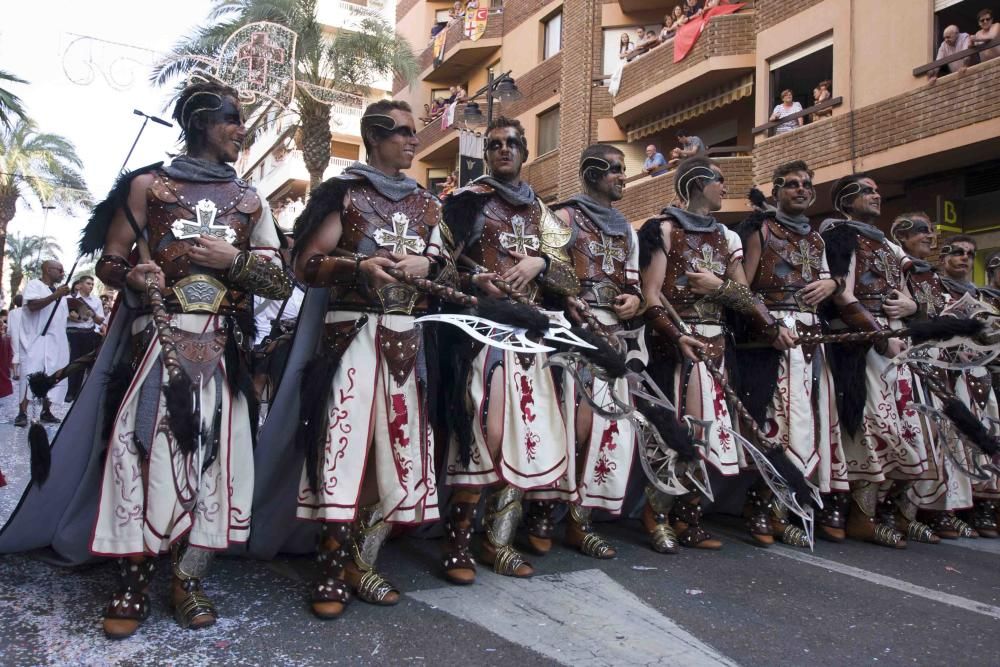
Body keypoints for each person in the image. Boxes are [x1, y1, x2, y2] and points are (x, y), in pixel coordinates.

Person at [0, 80, 291, 639]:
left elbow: (278, 280)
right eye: (234, 119)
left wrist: (235, 260)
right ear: (204, 121)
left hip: (220, 349)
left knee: (213, 461)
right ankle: (132, 577)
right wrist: (130, 273)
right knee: (139, 454)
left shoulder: (251, 199)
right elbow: (109, 259)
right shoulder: (147, 186)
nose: (242, 129)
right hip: (155, 342)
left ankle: (190, 578)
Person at [284, 100, 448, 618]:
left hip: (407, 338)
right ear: (375, 137)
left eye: (413, 133)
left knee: (394, 451)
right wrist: (359, 265)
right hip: (350, 335)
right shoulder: (343, 193)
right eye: (402, 132)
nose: (412, 141)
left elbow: (448, 271)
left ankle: (365, 561)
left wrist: (429, 262)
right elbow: (304, 265)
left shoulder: (428, 205)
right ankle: (331, 567)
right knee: (344, 448)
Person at [440, 116, 578, 582]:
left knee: (526, 438)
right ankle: (457, 542)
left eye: (512, 143)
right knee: (482, 432)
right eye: (495, 144)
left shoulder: (544, 213)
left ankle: (497, 540)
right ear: (487, 154)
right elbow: (438, 269)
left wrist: (541, 262)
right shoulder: (464, 203)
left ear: (524, 152)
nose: (504, 150)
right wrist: (473, 279)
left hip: (533, 342)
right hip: (481, 336)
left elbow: (570, 279)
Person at [639, 156, 788, 550]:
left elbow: (742, 296)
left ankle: (689, 517)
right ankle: (657, 515)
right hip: (678, 346)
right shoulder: (663, 230)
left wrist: (717, 287)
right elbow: (650, 295)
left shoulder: (728, 237)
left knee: (710, 437)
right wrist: (676, 335)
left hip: (718, 346)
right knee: (676, 434)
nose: (725, 187)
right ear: (697, 183)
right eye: (719, 180)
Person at [527, 144, 642, 559]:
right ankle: (540, 510)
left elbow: (632, 284)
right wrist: (568, 299)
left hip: (612, 335)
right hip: (571, 333)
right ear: (593, 173)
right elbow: (546, 268)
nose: (622, 177)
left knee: (602, 430)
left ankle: (580, 519)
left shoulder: (626, 228)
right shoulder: (565, 217)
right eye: (614, 169)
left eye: (622, 170)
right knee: (566, 425)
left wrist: (633, 300)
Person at [735, 161, 848, 546]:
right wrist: (769, 327)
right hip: (773, 340)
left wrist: (832, 284)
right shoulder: (760, 230)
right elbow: (743, 290)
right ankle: (761, 505)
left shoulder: (817, 239)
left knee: (810, 424)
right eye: (792, 184)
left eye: (807, 185)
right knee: (776, 423)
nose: (801, 190)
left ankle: (789, 507)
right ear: (777, 190)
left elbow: (834, 281)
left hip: (811, 339)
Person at [820, 174, 931, 549]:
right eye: (866, 191)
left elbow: (915, 294)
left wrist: (912, 308)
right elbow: (842, 293)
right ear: (846, 199)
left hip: (895, 349)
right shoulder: (839, 235)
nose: (876, 195)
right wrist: (880, 335)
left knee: (906, 430)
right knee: (869, 430)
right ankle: (859, 516)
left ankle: (884, 512)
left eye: (877, 190)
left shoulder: (887, 245)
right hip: (860, 347)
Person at [891, 216, 979, 540]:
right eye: (922, 231)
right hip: (905, 360)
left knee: (941, 438)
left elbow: (940, 317)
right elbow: (893, 306)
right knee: (913, 434)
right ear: (901, 236)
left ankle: (931, 508)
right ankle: (899, 511)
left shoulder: (932, 278)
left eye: (931, 231)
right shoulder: (896, 266)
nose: (931, 236)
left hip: (938, 365)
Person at [934, 234, 1000, 536]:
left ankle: (981, 506)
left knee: (984, 436)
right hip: (943, 373)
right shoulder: (932, 287)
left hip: (978, 374)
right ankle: (944, 508)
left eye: (969, 254)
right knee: (949, 441)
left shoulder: (983, 298)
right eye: (957, 252)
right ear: (943, 257)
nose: (964, 257)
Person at [14, 259, 70, 427]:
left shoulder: (61, 294)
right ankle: (22, 413)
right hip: (36, 340)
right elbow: (32, 305)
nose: (62, 273)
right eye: (59, 270)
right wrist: (56, 295)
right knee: (29, 374)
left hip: (56, 342)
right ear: (47, 269)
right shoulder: (34, 285)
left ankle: (46, 411)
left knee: (53, 375)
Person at [64, 274, 105, 402]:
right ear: (80, 285)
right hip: (73, 332)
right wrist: (71, 316)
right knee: (72, 361)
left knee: (83, 362)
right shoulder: (69, 298)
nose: (91, 286)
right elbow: (61, 316)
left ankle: (76, 392)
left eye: (92, 284)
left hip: (89, 332)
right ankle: (69, 391)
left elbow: (100, 321)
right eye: (88, 283)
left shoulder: (96, 301)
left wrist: (92, 315)